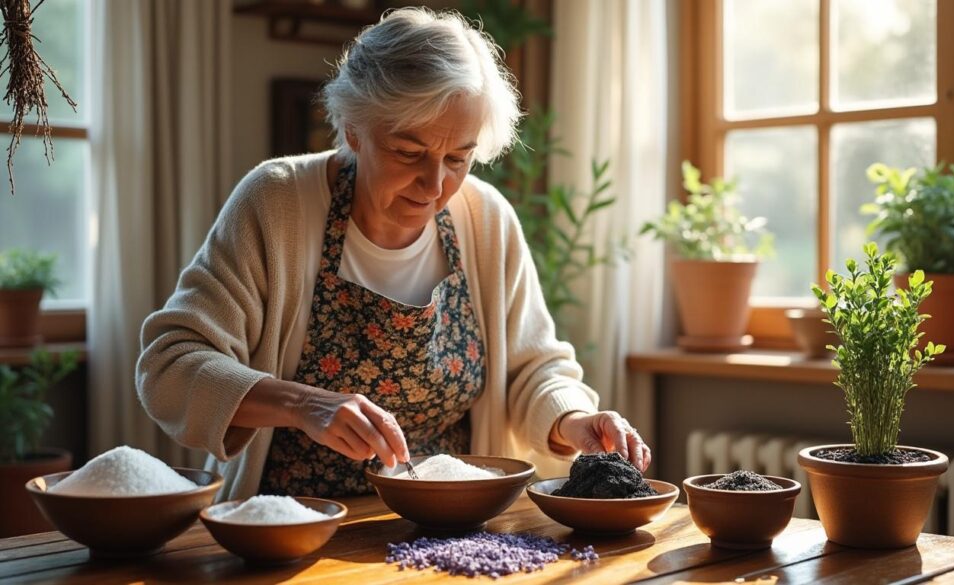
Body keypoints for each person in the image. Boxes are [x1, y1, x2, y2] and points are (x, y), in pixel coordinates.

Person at [136, 7, 651, 501]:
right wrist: (302, 404)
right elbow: (169, 365)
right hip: (295, 528)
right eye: (409, 153)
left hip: (452, 529)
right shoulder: (277, 204)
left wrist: (573, 419)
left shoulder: (485, 220)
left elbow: (532, 369)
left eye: (458, 157)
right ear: (354, 129)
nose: (434, 184)